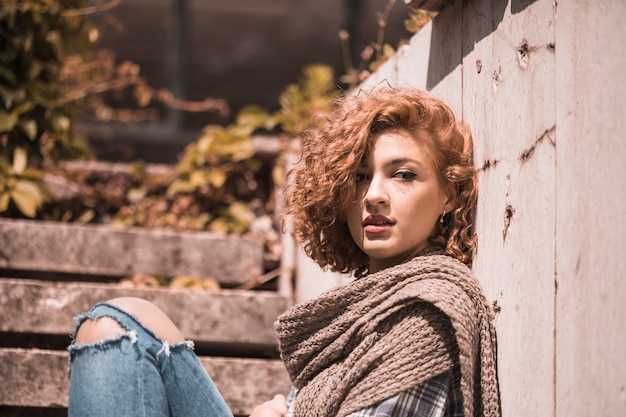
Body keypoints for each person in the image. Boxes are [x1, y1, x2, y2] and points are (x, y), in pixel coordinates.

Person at [67, 87, 501, 417]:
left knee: (117, 330)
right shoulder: (371, 304)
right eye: (360, 177)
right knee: (123, 322)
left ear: (449, 193)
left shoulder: (425, 312)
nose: (374, 196)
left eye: (403, 175)